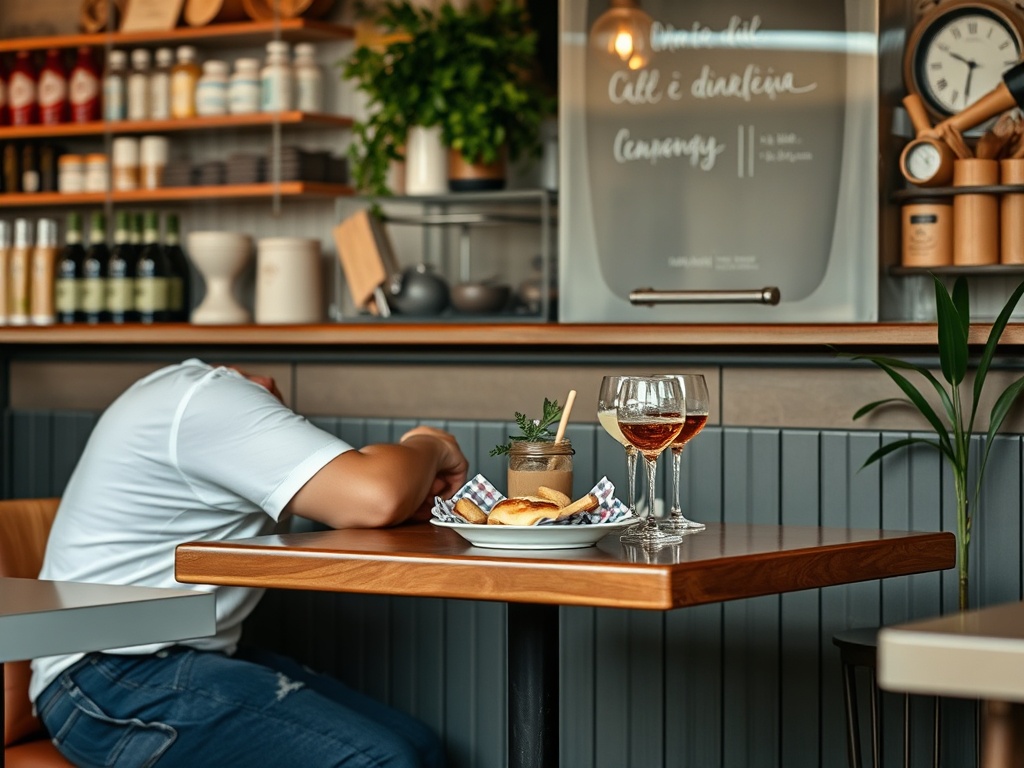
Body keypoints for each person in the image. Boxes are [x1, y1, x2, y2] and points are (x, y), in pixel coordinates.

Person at [30, 358, 468, 768]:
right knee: (385, 760)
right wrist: (429, 443)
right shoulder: (208, 398)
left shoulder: (198, 405)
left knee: (419, 746)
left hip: (162, 660)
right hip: (99, 678)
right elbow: (375, 497)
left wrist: (396, 492)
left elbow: (375, 504)